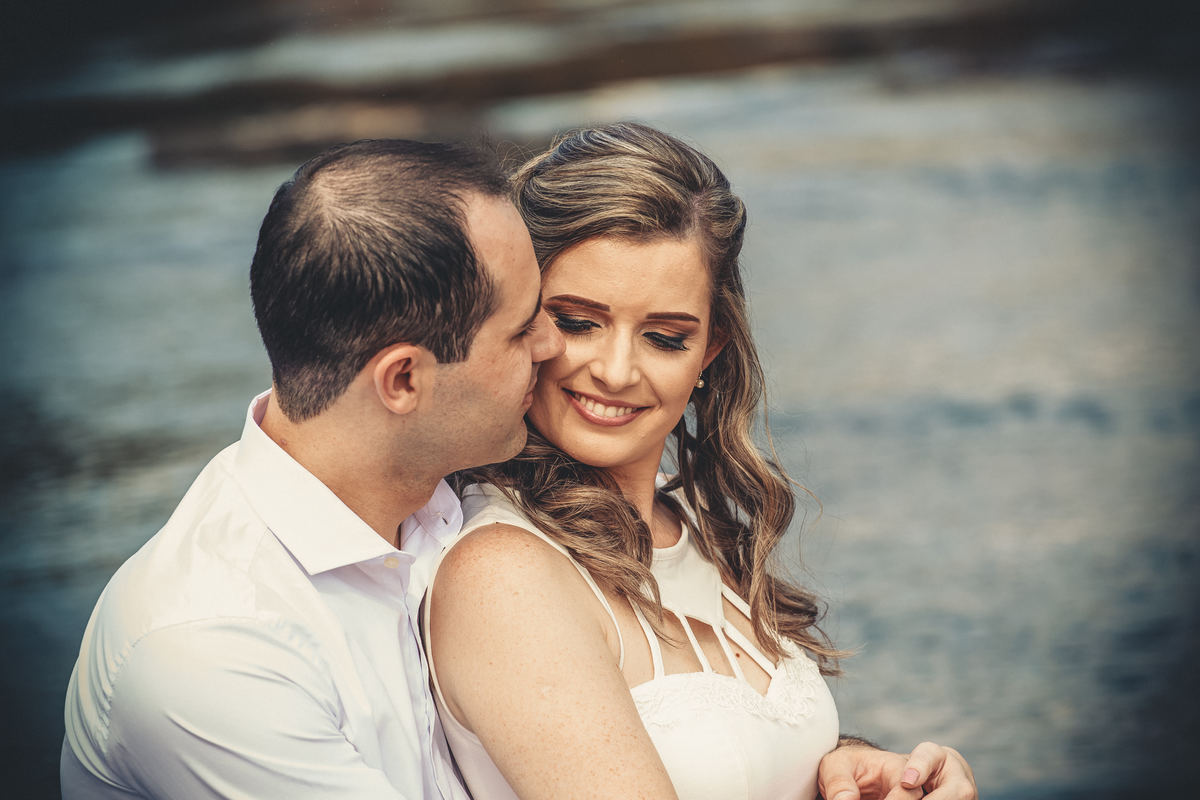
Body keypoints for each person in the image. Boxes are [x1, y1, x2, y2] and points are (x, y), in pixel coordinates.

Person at [422, 123, 978, 800]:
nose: (617, 371)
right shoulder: (504, 576)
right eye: (576, 322)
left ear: (710, 352)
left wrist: (857, 770)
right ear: (519, 320)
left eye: (663, 337)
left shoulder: (690, 524)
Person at [60, 139, 565, 798]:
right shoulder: (212, 647)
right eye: (521, 330)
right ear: (404, 378)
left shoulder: (460, 491)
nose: (553, 345)